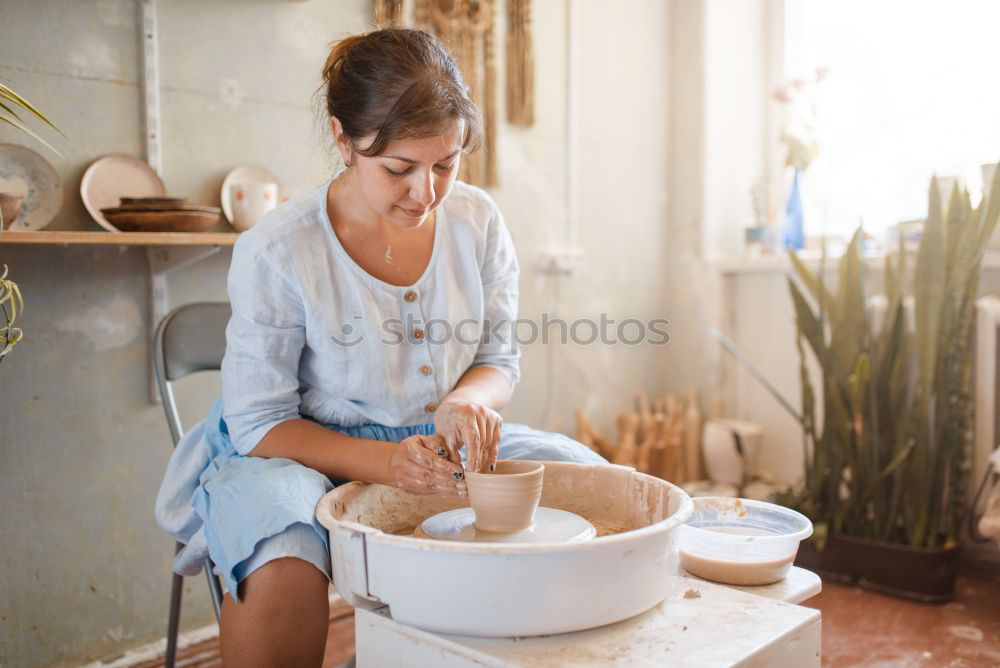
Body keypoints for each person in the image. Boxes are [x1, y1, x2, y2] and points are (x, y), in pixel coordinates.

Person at [155, 26, 605, 666]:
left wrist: (468, 402)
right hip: (296, 449)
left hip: (433, 443)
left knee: (593, 488)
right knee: (279, 548)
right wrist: (388, 465)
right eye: (399, 168)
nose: (425, 193)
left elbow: (496, 361)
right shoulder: (280, 250)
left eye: (445, 165)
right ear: (343, 139)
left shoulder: (476, 223)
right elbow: (259, 423)